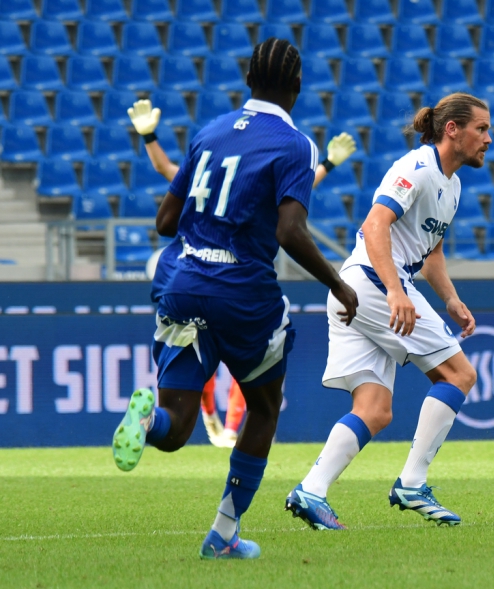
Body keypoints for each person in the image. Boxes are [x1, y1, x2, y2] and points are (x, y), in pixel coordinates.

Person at [111, 37, 359, 559]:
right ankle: (223, 534)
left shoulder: (210, 132)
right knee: (263, 409)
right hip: (242, 292)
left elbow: (164, 221)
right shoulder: (295, 145)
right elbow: (290, 232)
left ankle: (147, 422)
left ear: (248, 80)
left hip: (182, 284)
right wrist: (338, 283)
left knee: (176, 426)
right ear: (297, 86)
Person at [286, 93, 489, 530]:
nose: (488, 139)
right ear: (452, 129)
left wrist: (450, 298)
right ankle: (412, 483)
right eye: (481, 129)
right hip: (373, 284)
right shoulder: (416, 168)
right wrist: (396, 291)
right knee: (459, 375)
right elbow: (375, 224)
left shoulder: (452, 186)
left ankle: (311, 491)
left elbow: (431, 251)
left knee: (375, 409)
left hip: (358, 291)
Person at [127, 98, 357, 446]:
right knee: (254, 380)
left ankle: (174, 423)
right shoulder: (255, 179)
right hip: (241, 283)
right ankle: (226, 430)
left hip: (188, 280)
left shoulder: (201, 176)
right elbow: (294, 198)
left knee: (194, 381)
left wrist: (148, 136)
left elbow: (164, 173)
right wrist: (326, 164)